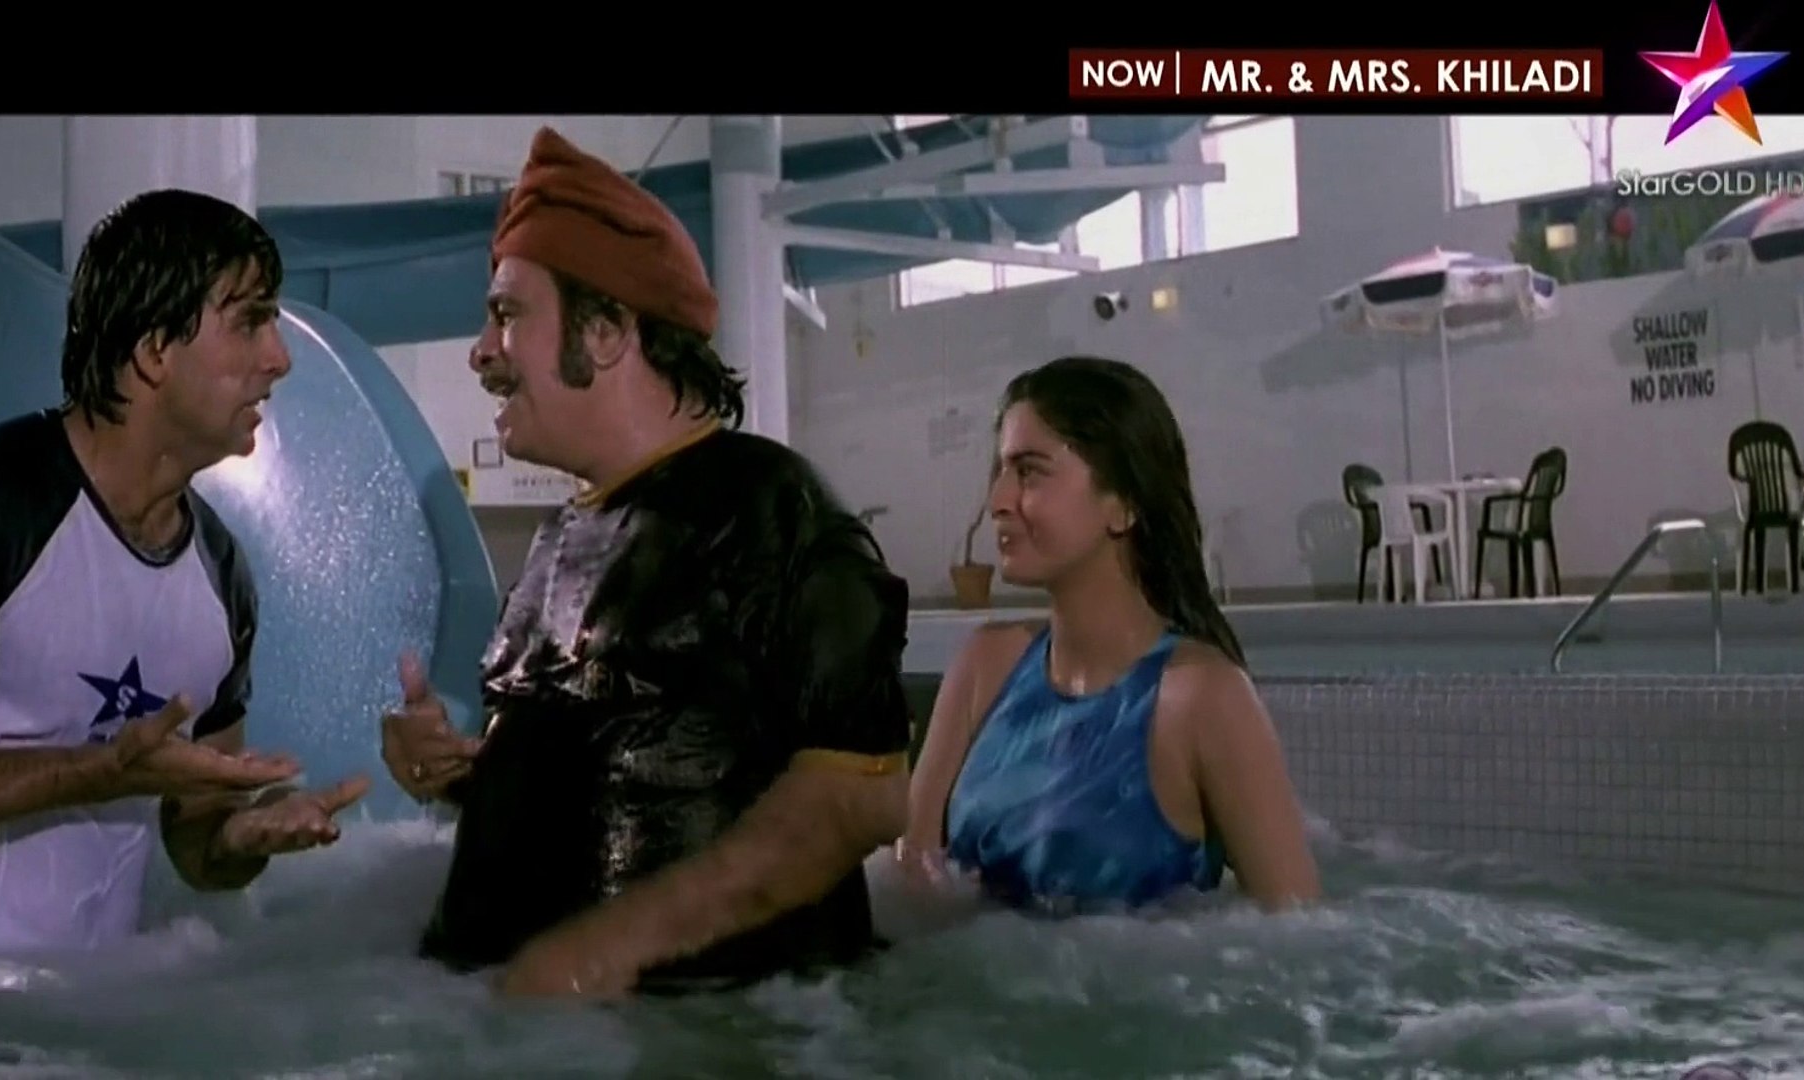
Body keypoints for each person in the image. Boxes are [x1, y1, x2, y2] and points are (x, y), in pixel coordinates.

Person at [378, 127, 912, 998]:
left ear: (605, 331)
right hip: (535, 1031)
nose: (479, 350)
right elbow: (621, 781)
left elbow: (859, 798)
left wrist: (597, 956)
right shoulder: (558, 540)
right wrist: (459, 774)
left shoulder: (772, 512)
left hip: (709, 1032)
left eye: (507, 315)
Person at [0, 189, 369, 961]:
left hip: (94, 1006)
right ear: (154, 350)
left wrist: (241, 835)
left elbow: (196, 836)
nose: (279, 356)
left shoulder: (221, 575)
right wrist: (99, 772)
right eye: (250, 321)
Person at [900, 356, 1320, 915]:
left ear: (1122, 504)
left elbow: (1296, 934)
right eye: (999, 471)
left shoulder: (1203, 699)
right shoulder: (986, 665)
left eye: (1029, 472)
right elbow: (911, 876)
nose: (997, 501)